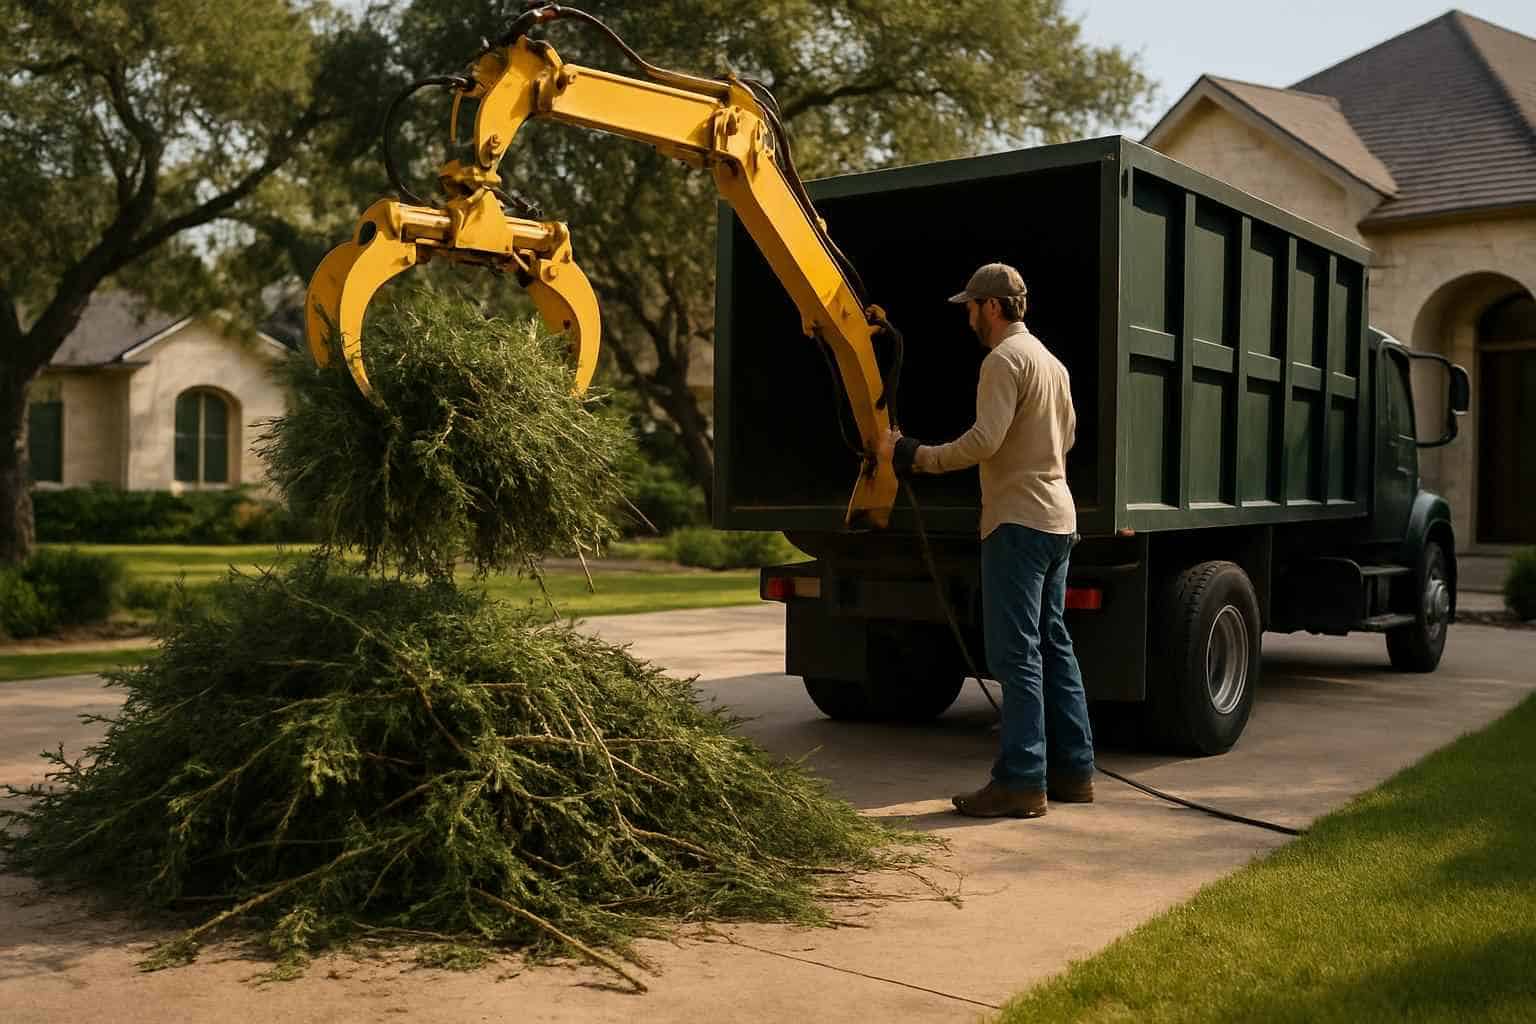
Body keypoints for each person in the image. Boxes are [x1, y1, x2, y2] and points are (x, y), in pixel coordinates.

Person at [879, 262, 1095, 819]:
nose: (968, 316)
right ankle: (1075, 772)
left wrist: (914, 456)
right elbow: (1067, 436)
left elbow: (985, 440)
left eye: (971, 306)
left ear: (993, 307)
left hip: (1017, 523)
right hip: (1058, 519)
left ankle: (1021, 781)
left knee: (1015, 653)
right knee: (1054, 644)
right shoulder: (1052, 362)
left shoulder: (1003, 360)